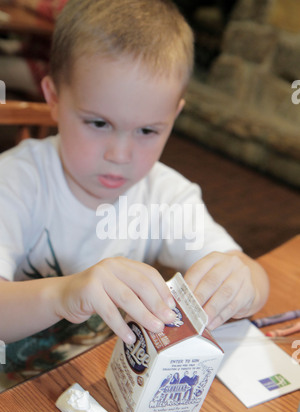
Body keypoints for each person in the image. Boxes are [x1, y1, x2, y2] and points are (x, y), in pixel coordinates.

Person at [0, 0, 269, 390]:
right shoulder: (15, 182)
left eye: (147, 131)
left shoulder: (164, 194)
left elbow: (252, 275)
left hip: (96, 387)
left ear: (173, 118)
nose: (120, 155)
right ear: (54, 98)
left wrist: (241, 281)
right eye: (98, 122)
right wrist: (64, 294)